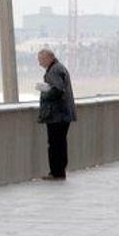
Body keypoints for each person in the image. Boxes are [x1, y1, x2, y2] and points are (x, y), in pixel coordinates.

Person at [35, 49, 77, 180]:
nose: (39, 63)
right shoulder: (60, 68)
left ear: (49, 58)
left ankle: (56, 172)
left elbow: (58, 90)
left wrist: (45, 94)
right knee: (60, 143)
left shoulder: (54, 71)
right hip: (64, 114)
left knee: (55, 144)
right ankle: (60, 171)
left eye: (41, 59)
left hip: (57, 115)